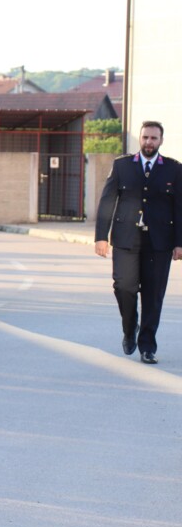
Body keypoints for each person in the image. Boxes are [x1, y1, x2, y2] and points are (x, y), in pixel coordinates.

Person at [94, 121, 182, 364]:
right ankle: (129, 327)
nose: (149, 142)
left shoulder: (174, 169)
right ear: (139, 139)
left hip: (159, 242)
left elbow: (179, 208)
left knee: (154, 295)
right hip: (125, 239)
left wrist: (179, 242)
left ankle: (147, 346)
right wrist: (101, 236)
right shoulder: (122, 165)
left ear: (161, 141)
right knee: (123, 287)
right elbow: (107, 201)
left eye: (154, 138)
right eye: (145, 137)